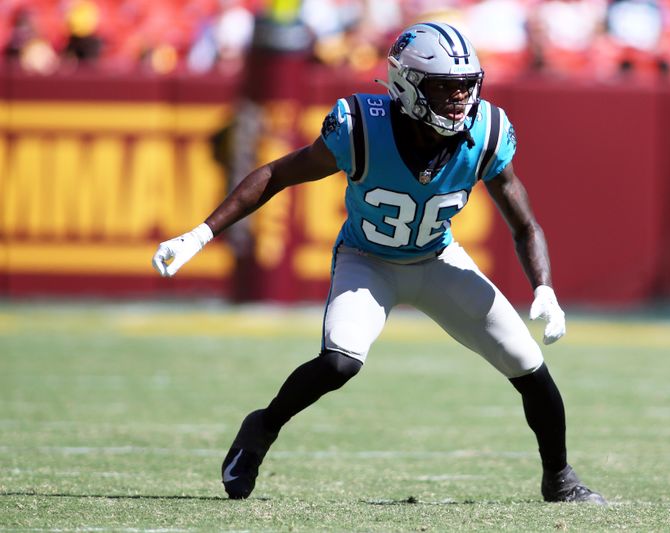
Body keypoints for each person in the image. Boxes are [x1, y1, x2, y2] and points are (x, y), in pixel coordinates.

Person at [152, 22, 606, 505]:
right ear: (407, 85)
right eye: (444, 88)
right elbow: (276, 174)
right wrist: (202, 233)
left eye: (465, 86)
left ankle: (559, 479)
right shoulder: (361, 127)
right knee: (339, 362)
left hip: (437, 258)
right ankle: (262, 427)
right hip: (368, 261)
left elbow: (524, 222)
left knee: (529, 366)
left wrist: (544, 288)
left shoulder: (488, 131)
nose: (459, 100)